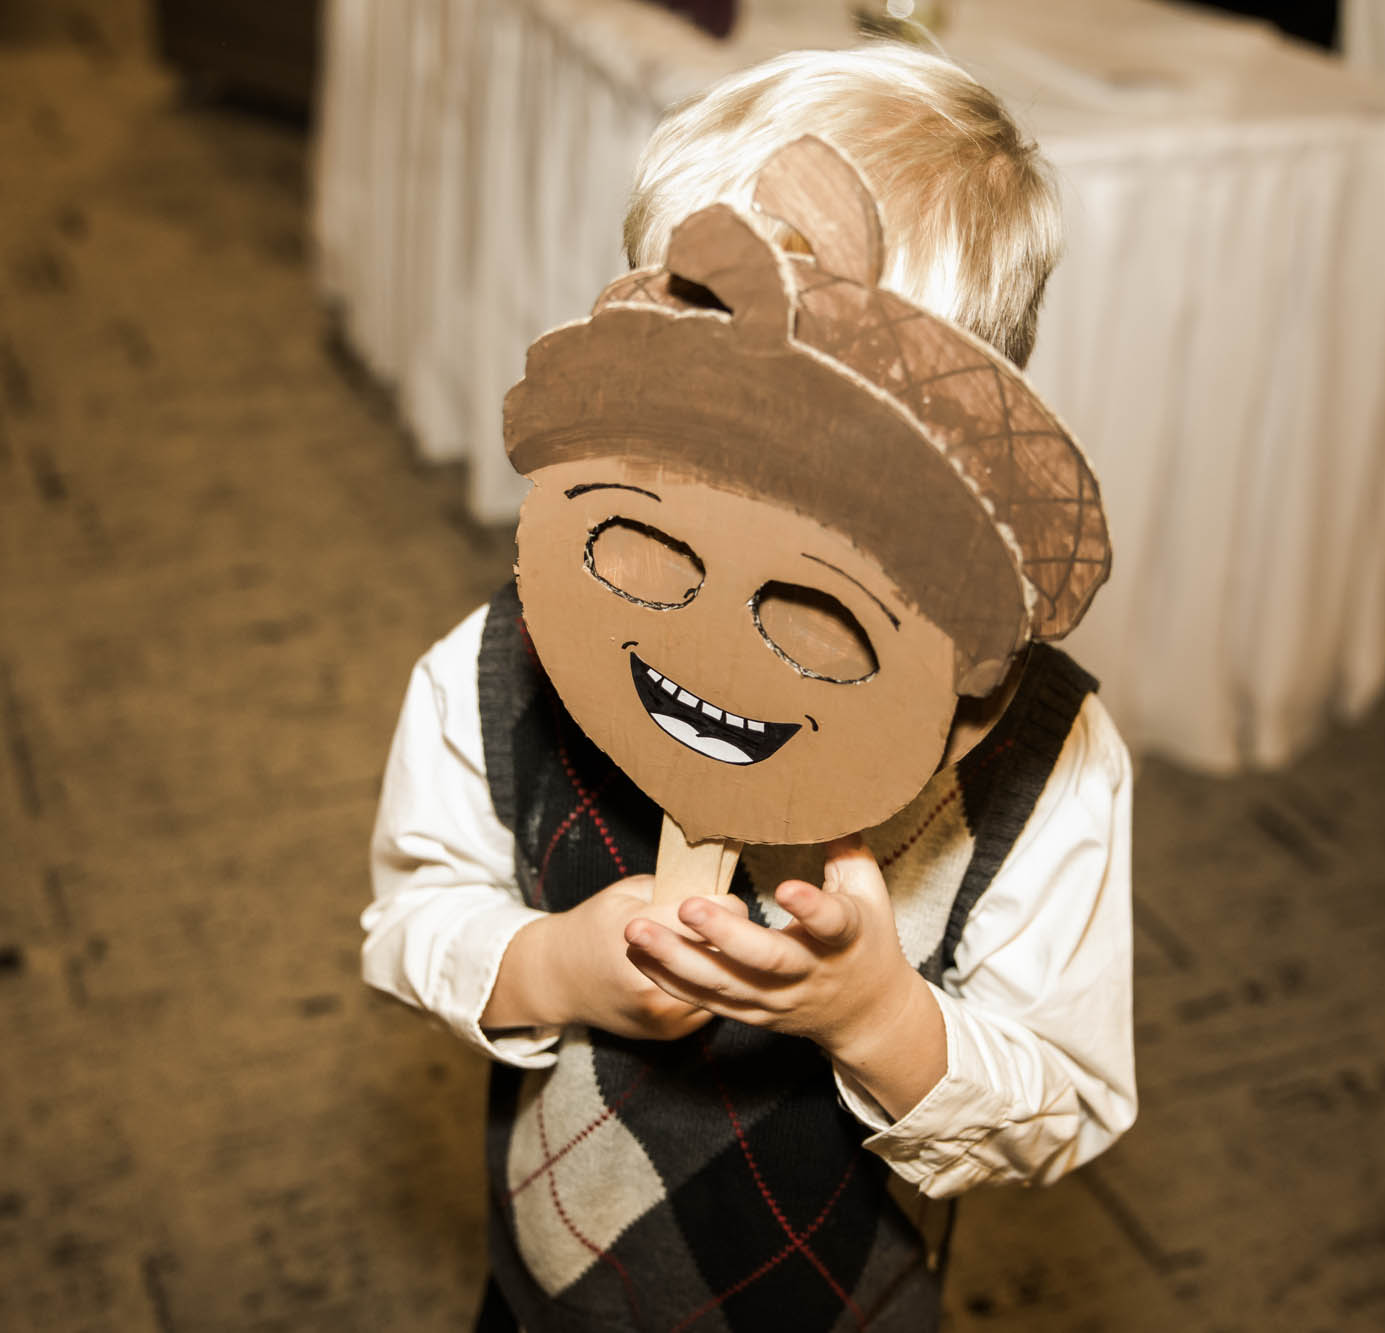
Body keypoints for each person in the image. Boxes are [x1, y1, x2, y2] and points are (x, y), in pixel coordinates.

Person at [364, 45, 1135, 1333]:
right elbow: (410, 917)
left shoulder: (1047, 758)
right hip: (551, 1289)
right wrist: (550, 965)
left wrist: (878, 1016)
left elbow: (1063, 1098)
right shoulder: (513, 652)